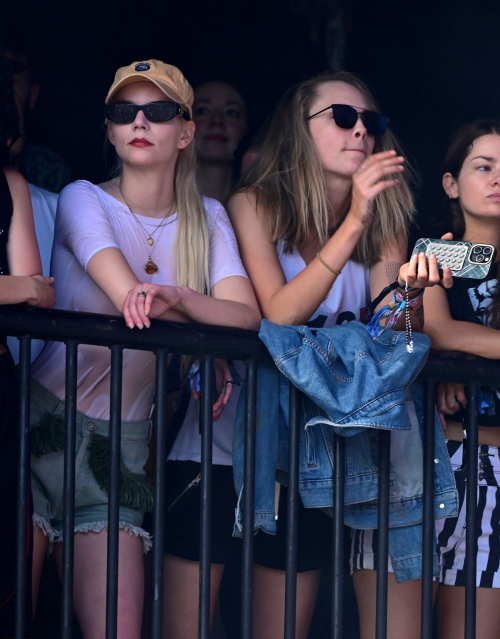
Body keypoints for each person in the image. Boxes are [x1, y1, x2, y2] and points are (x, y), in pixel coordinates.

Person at [29, 59, 260, 639]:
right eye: (122, 112)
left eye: (157, 112)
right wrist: (193, 320)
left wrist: (180, 297)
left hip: (120, 451)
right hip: (36, 428)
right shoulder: (84, 196)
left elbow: (248, 317)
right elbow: (128, 295)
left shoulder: (208, 217)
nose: (138, 121)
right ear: (108, 130)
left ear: (183, 133)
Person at [228, 71, 449, 639]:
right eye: (343, 118)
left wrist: (414, 294)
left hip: (367, 443)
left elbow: (390, 332)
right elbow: (279, 314)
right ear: (300, 132)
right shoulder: (255, 204)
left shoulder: (387, 217)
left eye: (371, 123)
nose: (360, 133)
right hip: (289, 443)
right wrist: (354, 220)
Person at [426, 120, 500, 639]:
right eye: (484, 166)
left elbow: (454, 335)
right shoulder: (444, 251)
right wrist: (446, 364)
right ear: (452, 183)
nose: (498, 179)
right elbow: (434, 326)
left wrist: (461, 354)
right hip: (437, 457)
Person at [0, 52, 55, 639]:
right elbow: (25, 286)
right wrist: (14, 288)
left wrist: (19, 290)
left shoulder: (9, 182)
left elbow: (40, 295)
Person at [193, 81, 247, 206]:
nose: (217, 120)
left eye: (231, 113)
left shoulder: (260, 209)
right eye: (203, 111)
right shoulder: (155, 206)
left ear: (245, 128)